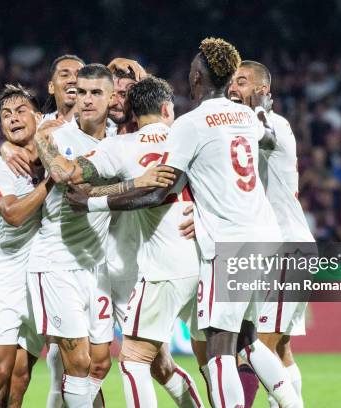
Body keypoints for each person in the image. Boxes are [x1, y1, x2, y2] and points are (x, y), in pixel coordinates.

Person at [65, 38, 301, 408]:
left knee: (219, 346)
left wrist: (94, 202)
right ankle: (292, 402)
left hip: (228, 242)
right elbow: (267, 141)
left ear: (196, 76)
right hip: (266, 236)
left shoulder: (191, 123)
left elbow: (160, 190)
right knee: (248, 339)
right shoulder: (244, 116)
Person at [37, 76, 205, 407]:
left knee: (154, 363)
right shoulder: (62, 132)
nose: (96, 99)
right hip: (86, 263)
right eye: (85, 92)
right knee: (82, 363)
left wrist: (201, 214)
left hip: (135, 266)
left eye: (112, 93)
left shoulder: (122, 139)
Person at [228, 60, 314, 408]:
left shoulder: (272, 124)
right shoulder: (244, 125)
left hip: (284, 250)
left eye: (243, 82)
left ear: (263, 92)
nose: (233, 87)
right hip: (280, 247)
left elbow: (264, 137)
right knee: (279, 347)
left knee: (256, 345)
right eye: (231, 80)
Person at [0, 84, 51, 408]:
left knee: (20, 378)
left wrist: (50, 168)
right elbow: (14, 215)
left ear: (39, 117)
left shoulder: (53, 154)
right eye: (5, 115)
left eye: (20, 111)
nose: (13, 119)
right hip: (6, 279)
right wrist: (52, 181)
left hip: (42, 279)